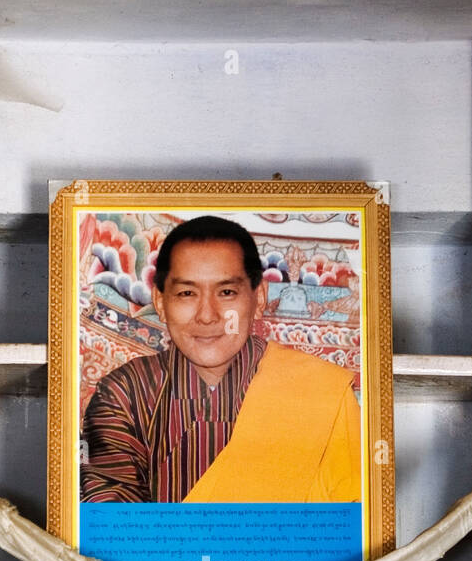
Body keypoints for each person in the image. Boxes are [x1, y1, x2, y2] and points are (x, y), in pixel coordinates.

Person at [80, 215, 362, 503]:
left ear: (260, 298)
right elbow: (111, 524)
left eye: (226, 292)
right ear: (161, 304)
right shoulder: (124, 394)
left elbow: (349, 523)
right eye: (187, 293)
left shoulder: (319, 393)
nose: (207, 315)